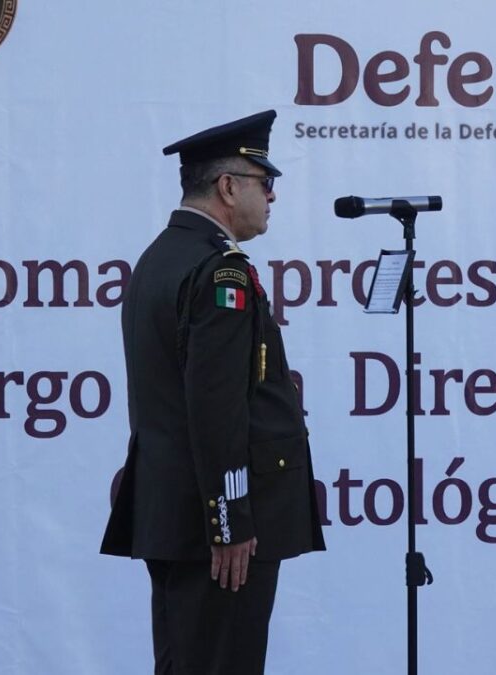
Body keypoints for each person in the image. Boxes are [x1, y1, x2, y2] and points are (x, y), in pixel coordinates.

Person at [100, 110, 325, 675]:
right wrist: (230, 524)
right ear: (228, 187)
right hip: (215, 532)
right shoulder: (218, 271)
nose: (271, 197)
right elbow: (216, 408)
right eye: (264, 183)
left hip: (178, 512)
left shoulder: (161, 257)